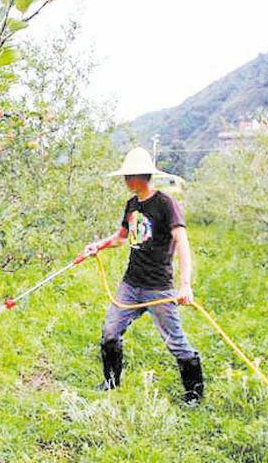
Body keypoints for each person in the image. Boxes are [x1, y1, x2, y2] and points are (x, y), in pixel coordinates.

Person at [79, 147, 204, 403]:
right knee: (110, 331)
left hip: (158, 287)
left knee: (176, 342)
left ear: (141, 176)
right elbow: (121, 238)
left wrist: (185, 285)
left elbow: (182, 242)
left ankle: (194, 395)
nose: (125, 181)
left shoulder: (165, 203)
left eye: (128, 176)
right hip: (131, 284)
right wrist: (97, 246)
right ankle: (111, 382)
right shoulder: (132, 204)